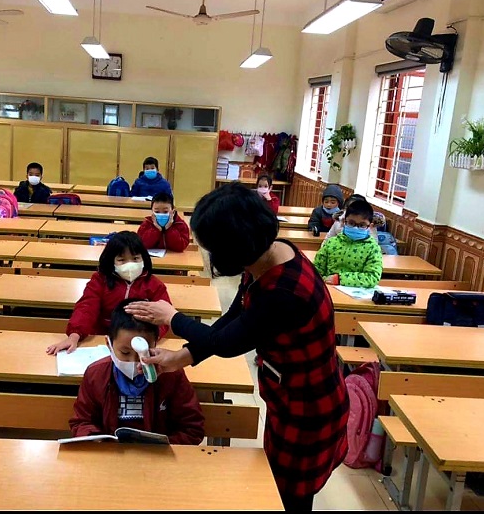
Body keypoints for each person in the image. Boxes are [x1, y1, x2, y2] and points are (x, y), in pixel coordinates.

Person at [124, 183, 348, 512]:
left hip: (309, 409)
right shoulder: (268, 254)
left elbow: (227, 344)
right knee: (279, 485)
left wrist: (173, 318)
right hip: (288, 397)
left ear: (236, 247)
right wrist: (183, 356)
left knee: (290, 497)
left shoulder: (282, 293)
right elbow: (235, 315)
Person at [69, 299, 205, 445]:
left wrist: (162, 447)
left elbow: (192, 428)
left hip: (158, 456)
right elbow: (82, 421)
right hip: (110, 454)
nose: (134, 361)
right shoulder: (96, 375)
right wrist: (96, 439)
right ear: (109, 344)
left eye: (143, 353)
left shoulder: (171, 375)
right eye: (125, 352)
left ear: (155, 343)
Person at [46, 231, 171, 355]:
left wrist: (151, 338)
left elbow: (164, 315)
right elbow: (87, 307)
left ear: (144, 258)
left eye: (135, 259)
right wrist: (75, 335)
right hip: (101, 338)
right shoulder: (100, 280)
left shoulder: (154, 285)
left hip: (140, 341)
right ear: (112, 261)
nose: (130, 265)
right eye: (121, 260)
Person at [313, 200, 383, 288]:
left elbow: (372, 277)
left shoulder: (373, 249)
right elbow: (316, 270)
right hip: (329, 290)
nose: (356, 228)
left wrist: (340, 279)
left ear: (370, 226)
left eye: (362, 225)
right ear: (343, 222)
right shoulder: (331, 243)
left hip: (357, 294)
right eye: (351, 223)